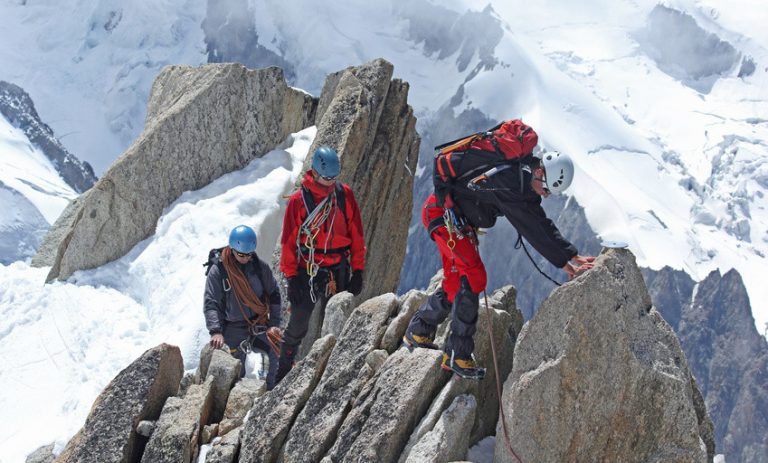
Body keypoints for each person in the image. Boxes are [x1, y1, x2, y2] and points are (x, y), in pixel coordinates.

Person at [404, 149, 595, 379]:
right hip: (445, 218)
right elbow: (532, 227)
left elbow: (539, 222)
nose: (545, 195)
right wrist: (565, 261)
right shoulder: (510, 182)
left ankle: (419, 330)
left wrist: (571, 256)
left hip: (448, 218)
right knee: (475, 275)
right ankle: (457, 355)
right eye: (546, 188)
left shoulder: (521, 180)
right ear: (539, 171)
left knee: (456, 282)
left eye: (549, 192)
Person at [275, 146, 366, 385]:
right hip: (309, 269)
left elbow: (356, 234)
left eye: (334, 178)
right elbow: (289, 241)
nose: (329, 183)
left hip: (338, 268)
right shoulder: (299, 200)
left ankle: (334, 376)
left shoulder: (344, 195)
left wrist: (357, 269)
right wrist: (291, 277)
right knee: (298, 321)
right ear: (315, 173)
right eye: (326, 178)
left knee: (337, 322)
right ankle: (282, 372)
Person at [204, 225, 283, 390]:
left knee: (278, 352)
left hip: (259, 323)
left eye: (248, 254)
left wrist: (274, 324)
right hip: (233, 327)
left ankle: (272, 393)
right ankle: (232, 398)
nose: (245, 258)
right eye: (241, 254)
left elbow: (274, 294)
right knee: (230, 366)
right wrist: (216, 331)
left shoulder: (260, 268)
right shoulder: (219, 271)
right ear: (232, 249)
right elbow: (212, 303)